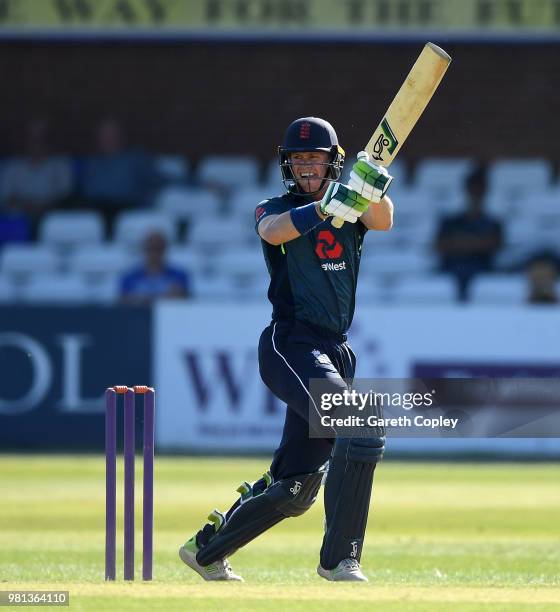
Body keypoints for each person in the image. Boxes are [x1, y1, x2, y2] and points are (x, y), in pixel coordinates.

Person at [179, 117, 394, 582]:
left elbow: (385, 219)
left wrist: (368, 183)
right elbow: (273, 232)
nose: (307, 168)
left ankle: (206, 549)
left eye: (315, 159)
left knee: (297, 486)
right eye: (299, 160)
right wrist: (321, 209)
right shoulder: (273, 207)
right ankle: (339, 560)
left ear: (332, 162)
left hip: (335, 350)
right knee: (361, 425)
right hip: (289, 344)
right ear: (287, 165)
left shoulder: (353, 208)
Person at [435, 166, 503, 301]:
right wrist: (477, 242)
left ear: (485, 192)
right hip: (451, 267)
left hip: (482, 268)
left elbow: (493, 245)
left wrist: (458, 243)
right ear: (466, 191)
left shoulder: (494, 223)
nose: (475, 194)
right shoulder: (450, 221)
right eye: (473, 190)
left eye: (479, 190)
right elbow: (440, 246)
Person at [81, 117, 160, 231]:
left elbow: (157, 180)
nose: (109, 138)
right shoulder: (91, 163)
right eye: (105, 134)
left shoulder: (137, 159)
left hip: (129, 210)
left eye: (113, 134)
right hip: (97, 211)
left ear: (121, 135)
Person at [0, 119, 73, 235]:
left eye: (41, 136)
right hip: (17, 221)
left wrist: (44, 206)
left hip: (51, 218)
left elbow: (66, 197)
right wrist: (28, 206)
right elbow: (5, 199)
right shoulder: (11, 167)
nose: (37, 141)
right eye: (33, 137)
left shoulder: (60, 164)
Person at [120, 231, 190, 303]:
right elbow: (124, 301)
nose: (155, 253)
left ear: (164, 250)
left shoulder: (179, 276)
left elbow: (184, 300)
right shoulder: (129, 277)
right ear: (144, 249)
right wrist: (164, 296)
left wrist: (142, 298)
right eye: (151, 248)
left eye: (158, 248)